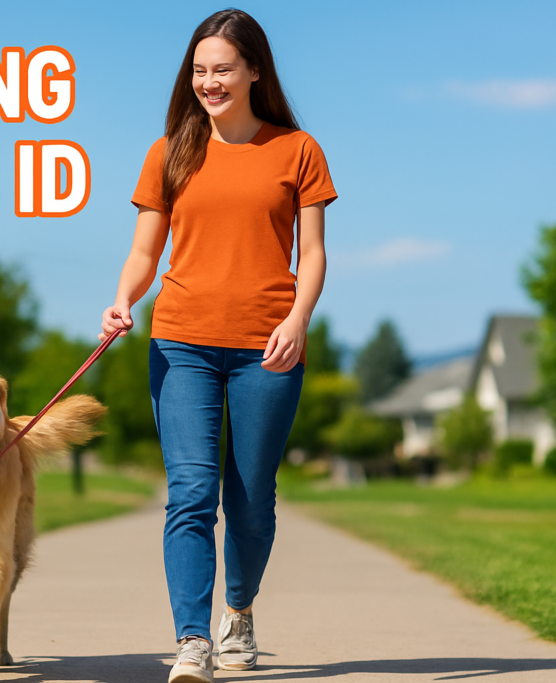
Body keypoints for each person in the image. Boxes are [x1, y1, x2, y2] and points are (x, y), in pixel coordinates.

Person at [100, 8, 337, 683]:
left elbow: (313, 253)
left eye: (223, 69)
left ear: (254, 70)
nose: (209, 82)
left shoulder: (297, 149)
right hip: (181, 344)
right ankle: (193, 640)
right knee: (192, 492)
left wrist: (299, 317)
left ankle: (240, 608)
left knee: (251, 498)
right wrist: (125, 300)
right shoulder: (170, 149)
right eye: (200, 71)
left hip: (269, 347)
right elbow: (146, 250)